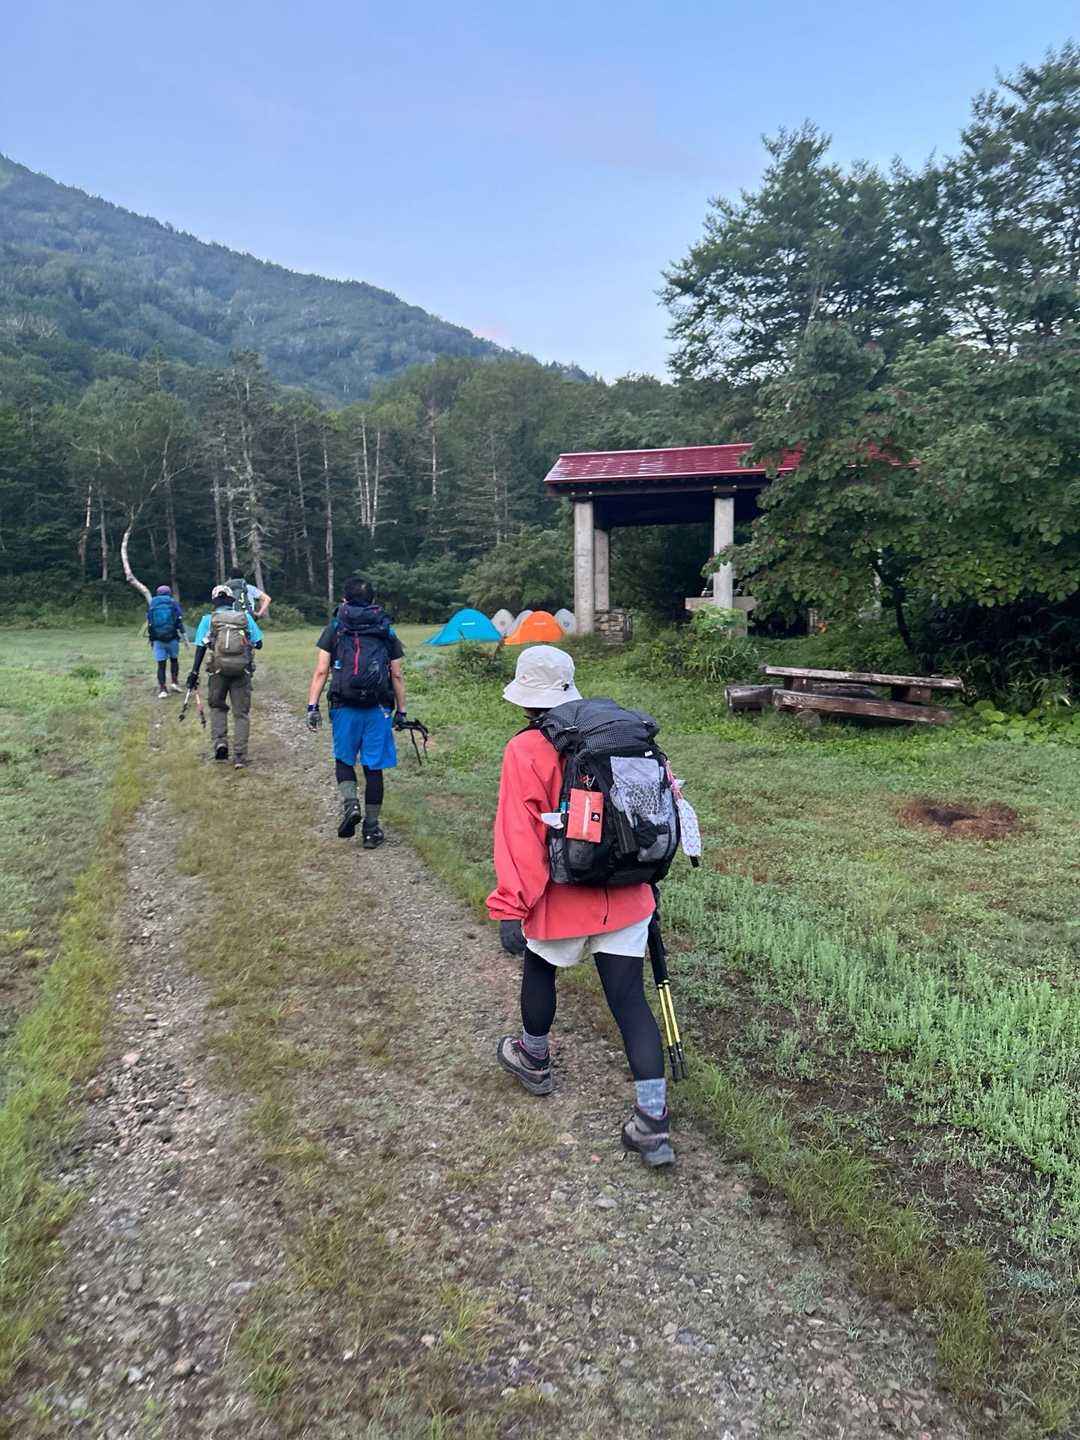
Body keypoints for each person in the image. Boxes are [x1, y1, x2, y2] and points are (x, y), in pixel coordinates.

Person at [487, 645, 675, 1167]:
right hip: (628, 893)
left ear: (525, 697)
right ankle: (652, 1123)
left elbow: (519, 837)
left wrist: (513, 906)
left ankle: (534, 1058)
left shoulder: (525, 748)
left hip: (561, 896)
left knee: (539, 968)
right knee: (629, 1001)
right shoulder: (623, 735)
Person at [305, 575, 406, 850]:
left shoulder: (336, 627)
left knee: (344, 759)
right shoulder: (385, 629)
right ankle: (371, 830)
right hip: (378, 707)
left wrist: (312, 706)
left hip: (344, 705)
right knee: (374, 768)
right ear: (373, 599)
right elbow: (396, 675)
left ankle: (351, 804)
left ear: (345, 599)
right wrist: (401, 711)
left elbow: (321, 671)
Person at [185, 585, 264, 769]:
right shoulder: (244, 618)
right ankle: (240, 755)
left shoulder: (208, 619)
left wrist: (194, 672)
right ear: (232, 600)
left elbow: (200, 647)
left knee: (217, 707)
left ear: (214, 601)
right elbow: (259, 643)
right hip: (242, 671)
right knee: (241, 713)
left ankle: (220, 742)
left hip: (217, 671)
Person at [146, 584, 186, 698]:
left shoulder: (153, 603)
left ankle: (163, 689)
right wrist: (184, 636)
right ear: (169, 593)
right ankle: (174, 682)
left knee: (161, 665)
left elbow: (149, 620)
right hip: (172, 638)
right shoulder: (172, 602)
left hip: (158, 639)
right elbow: (179, 618)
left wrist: (151, 638)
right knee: (174, 660)